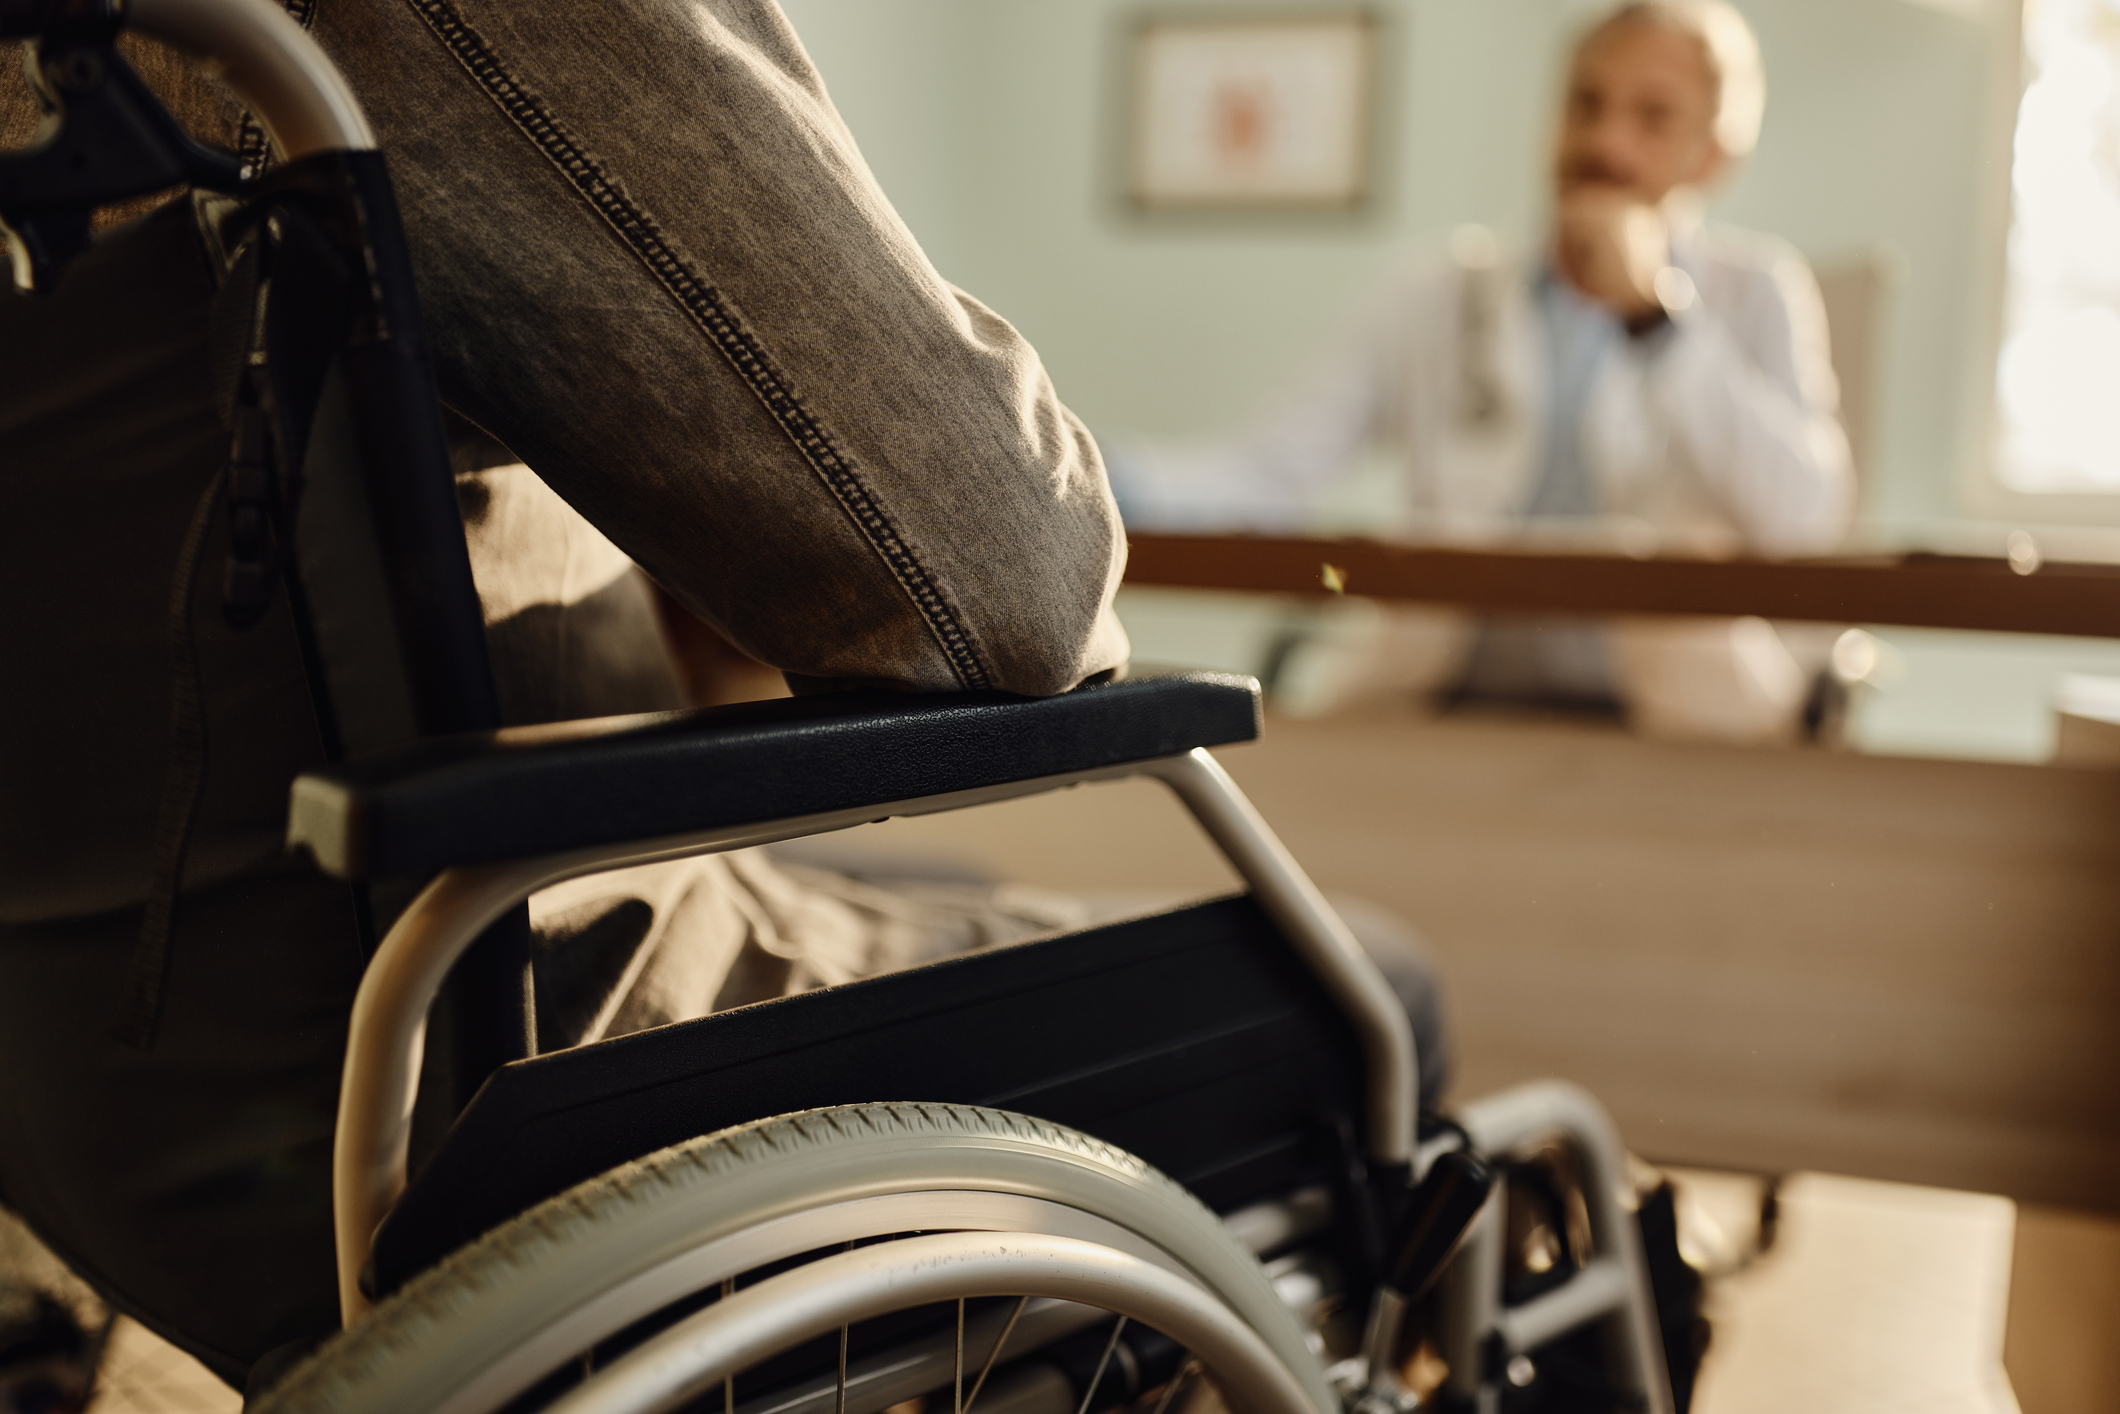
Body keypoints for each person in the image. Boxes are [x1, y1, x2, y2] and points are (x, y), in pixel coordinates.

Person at [0, 0, 1447, 1391]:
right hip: (463, 1064)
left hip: (76, 1082)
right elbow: (1008, 592)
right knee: (1374, 983)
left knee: (941, 869)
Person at [1112, 0, 1855, 742]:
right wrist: (1103, 480)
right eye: (1585, 104)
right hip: (1448, 710)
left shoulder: (1756, 293)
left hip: (1677, 734)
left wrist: (1655, 320)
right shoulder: (1435, 293)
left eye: (1652, 117)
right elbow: (1268, 473)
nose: (1604, 142)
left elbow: (1804, 518)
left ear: (1711, 157)